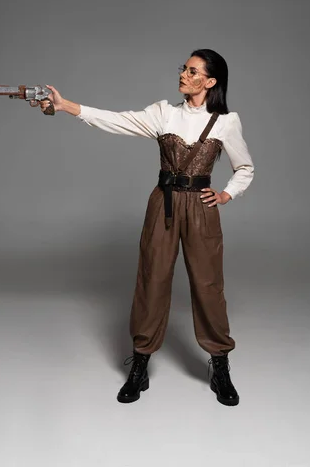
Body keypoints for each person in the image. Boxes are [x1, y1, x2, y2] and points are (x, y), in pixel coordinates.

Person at [40, 48, 254, 407]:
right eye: (184, 69)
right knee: (152, 278)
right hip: (163, 204)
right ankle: (140, 362)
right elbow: (116, 120)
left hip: (201, 208)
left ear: (210, 81)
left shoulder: (226, 122)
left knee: (208, 283)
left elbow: (245, 167)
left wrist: (227, 194)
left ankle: (219, 364)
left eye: (193, 71)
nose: (184, 75)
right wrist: (66, 106)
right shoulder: (163, 113)